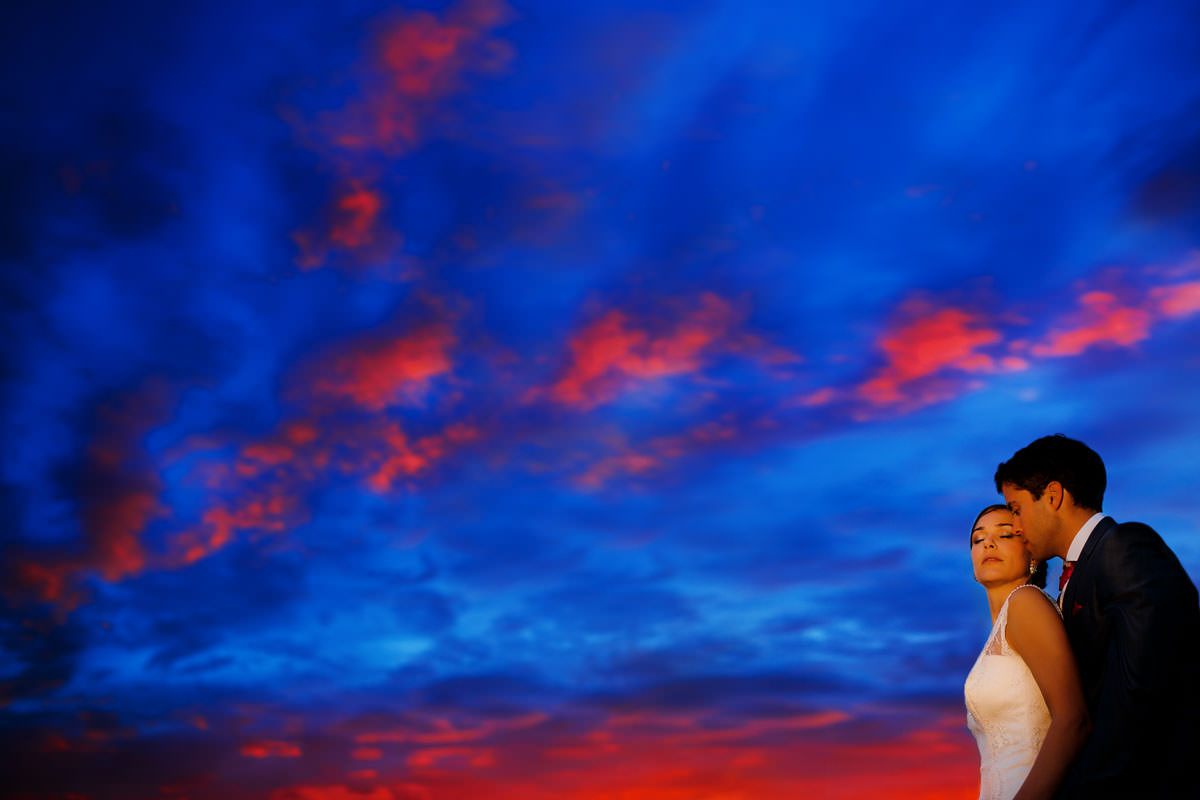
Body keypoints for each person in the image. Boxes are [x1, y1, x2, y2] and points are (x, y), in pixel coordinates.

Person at [995, 434, 1200, 798]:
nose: (1015, 525)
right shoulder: (1073, 579)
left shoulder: (1123, 546)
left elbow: (1145, 691)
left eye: (1015, 508)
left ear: (1053, 496)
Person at [965, 504, 1090, 800]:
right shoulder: (999, 632)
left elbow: (1074, 719)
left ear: (1032, 553)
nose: (989, 543)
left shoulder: (1025, 602)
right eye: (978, 539)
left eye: (1005, 535)